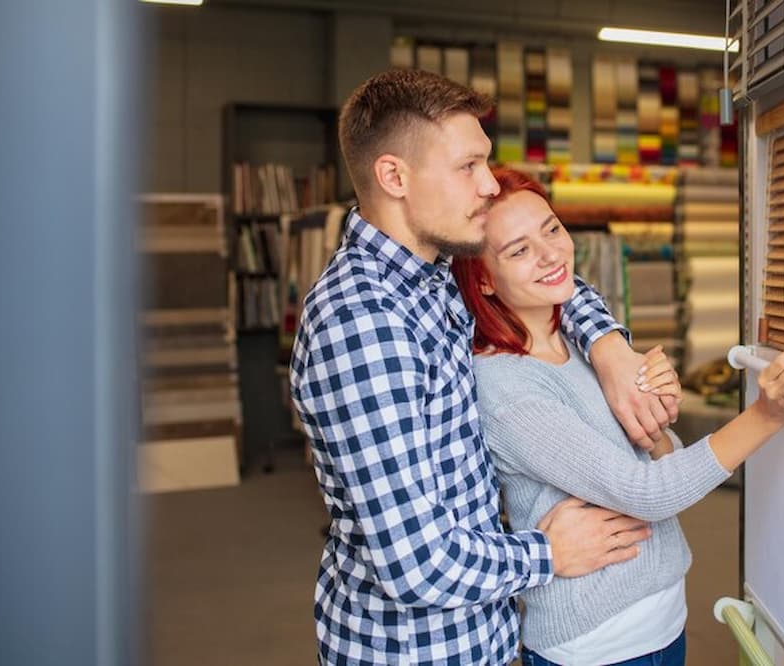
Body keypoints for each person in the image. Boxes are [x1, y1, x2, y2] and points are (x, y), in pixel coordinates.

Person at [289, 69, 682, 665]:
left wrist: (608, 347)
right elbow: (414, 564)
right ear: (394, 176)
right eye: (467, 167)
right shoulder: (363, 323)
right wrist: (546, 555)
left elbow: (554, 281)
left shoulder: (432, 272)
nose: (489, 187)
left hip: (488, 634)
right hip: (414, 651)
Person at [451, 167, 784, 666]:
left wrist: (657, 421)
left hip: (662, 620)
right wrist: (766, 415)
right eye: (518, 251)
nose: (551, 255)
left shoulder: (584, 348)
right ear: (485, 282)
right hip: (597, 645)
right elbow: (650, 493)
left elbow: (663, 458)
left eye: (552, 229)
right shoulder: (507, 386)